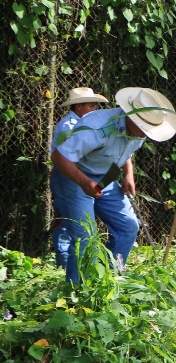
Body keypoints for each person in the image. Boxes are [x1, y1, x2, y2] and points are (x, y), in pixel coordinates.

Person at [51, 87, 176, 284]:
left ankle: (109, 279)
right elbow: (59, 157)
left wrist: (128, 174)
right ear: (131, 116)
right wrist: (84, 182)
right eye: (144, 127)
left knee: (128, 227)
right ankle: (78, 292)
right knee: (85, 237)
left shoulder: (140, 132)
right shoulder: (96, 127)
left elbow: (125, 151)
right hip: (74, 175)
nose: (147, 133)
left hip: (105, 177)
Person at [49, 87, 109, 268]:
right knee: (67, 220)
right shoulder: (68, 126)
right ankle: (64, 263)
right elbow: (64, 155)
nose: (93, 109)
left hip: (81, 175)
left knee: (77, 220)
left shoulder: (88, 124)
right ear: (79, 107)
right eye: (90, 106)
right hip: (66, 175)